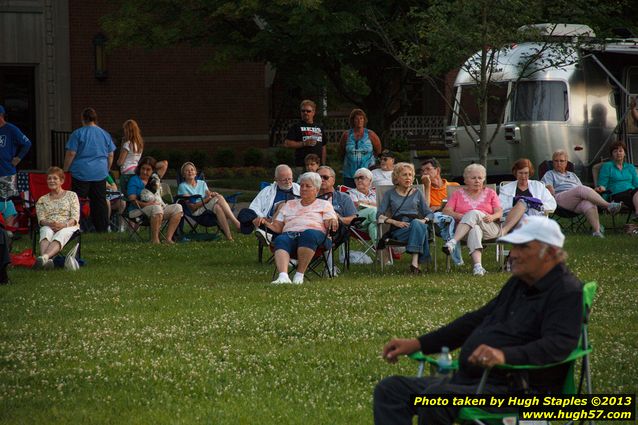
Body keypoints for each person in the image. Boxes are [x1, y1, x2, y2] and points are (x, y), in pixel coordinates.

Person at [374, 216, 583, 425]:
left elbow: (560, 344)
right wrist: (418, 344)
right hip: (473, 381)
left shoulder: (565, 291)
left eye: (523, 248)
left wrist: (504, 355)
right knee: (391, 390)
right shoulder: (520, 283)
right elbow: (475, 321)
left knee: (435, 399)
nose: (513, 255)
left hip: (518, 389)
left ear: (551, 253)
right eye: (513, 247)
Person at [265, 172, 339, 285]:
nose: (303, 188)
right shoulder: (289, 204)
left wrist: (332, 220)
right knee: (281, 239)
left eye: (308, 186)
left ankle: (299, 275)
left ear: (316, 189)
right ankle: (283, 276)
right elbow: (278, 227)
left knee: (308, 234)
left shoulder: (324, 204)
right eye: (302, 185)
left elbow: (329, 222)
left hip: (316, 238)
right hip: (290, 235)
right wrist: (264, 223)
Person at [541, 150, 621, 237]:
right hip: (560, 199)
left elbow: (584, 192)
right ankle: (608, 205)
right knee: (580, 189)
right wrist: (549, 188)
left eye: (561, 161)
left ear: (566, 162)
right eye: (556, 161)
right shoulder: (549, 174)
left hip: (575, 201)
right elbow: (548, 188)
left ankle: (597, 232)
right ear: (553, 162)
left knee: (588, 202)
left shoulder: (572, 175)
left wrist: (595, 191)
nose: (558, 163)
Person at [441, 164, 502, 276]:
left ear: (483, 179)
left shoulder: (490, 193)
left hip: (489, 227)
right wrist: (460, 216)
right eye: (473, 178)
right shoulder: (457, 194)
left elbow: (499, 212)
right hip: (465, 232)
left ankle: (453, 242)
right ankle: (478, 267)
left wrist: (492, 217)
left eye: (480, 178)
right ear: (465, 180)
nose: (477, 181)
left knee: (474, 213)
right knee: (475, 229)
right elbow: (446, 211)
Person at [63, 107, 116, 233]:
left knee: (77, 201)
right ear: (95, 119)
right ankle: (101, 229)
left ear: (83, 119)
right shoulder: (104, 134)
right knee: (100, 202)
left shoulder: (78, 133)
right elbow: (111, 154)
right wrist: (106, 169)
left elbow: (71, 153)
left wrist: (65, 170)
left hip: (80, 173)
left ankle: (76, 226)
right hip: (99, 173)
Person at [377, 162, 434, 274]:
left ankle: (414, 263)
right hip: (399, 229)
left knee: (418, 224)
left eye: (410, 175)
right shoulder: (390, 194)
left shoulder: (417, 193)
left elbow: (429, 213)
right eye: (404, 175)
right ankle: (418, 262)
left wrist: (424, 220)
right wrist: (394, 222)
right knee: (422, 231)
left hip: (416, 224)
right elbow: (379, 214)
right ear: (396, 178)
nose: (408, 177)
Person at [177, 162, 240, 241]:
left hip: (206, 207)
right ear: (183, 175)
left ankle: (229, 237)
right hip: (197, 211)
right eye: (187, 170)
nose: (190, 171)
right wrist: (207, 199)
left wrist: (212, 194)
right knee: (219, 197)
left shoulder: (202, 183)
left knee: (218, 207)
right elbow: (192, 207)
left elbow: (209, 194)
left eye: (192, 170)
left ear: (196, 173)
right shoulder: (182, 186)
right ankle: (236, 223)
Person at [127, 156, 183, 244]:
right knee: (156, 208)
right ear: (139, 168)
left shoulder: (155, 178)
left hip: (158, 208)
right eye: (143, 168)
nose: (145, 172)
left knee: (178, 208)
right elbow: (132, 200)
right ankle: (155, 240)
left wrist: (150, 162)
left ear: (153, 170)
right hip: (138, 210)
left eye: (148, 169)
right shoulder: (134, 180)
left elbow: (164, 164)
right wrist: (147, 204)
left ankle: (168, 239)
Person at [34, 167, 80, 269]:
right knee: (45, 231)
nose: (51, 181)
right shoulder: (42, 199)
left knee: (63, 233)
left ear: (62, 181)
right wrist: (50, 224)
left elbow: (75, 217)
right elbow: (41, 219)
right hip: (49, 225)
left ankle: (44, 257)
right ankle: (47, 261)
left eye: (55, 178)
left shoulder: (71, 195)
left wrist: (64, 225)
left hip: (68, 225)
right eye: (49, 178)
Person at [499, 158, 556, 235]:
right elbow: (500, 206)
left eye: (526, 173)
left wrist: (536, 205)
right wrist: (514, 202)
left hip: (534, 217)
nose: (523, 176)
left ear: (530, 173)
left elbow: (552, 203)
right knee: (523, 213)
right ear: (515, 173)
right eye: (520, 173)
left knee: (525, 215)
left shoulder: (538, 186)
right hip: (513, 219)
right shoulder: (506, 188)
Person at [249, 164, 300, 245]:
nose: (288, 182)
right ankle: (272, 234)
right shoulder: (267, 190)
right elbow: (254, 207)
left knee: (284, 205)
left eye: (290, 179)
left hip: (291, 223)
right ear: (276, 179)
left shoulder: (299, 189)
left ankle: (271, 235)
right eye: (284, 180)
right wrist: (262, 218)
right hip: (269, 221)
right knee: (245, 213)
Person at [0, 105, 32, 228]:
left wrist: (18, 158)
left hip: (6, 172)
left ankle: (9, 229)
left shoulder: (11, 129)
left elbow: (27, 143)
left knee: (6, 201)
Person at [116, 119, 168, 186]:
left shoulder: (127, 144)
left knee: (127, 194)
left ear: (127, 131)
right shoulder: (139, 144)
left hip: (126, 172)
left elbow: (120, 162)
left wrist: (122, 147)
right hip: (136, 170)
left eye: (124, 130)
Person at [596, 141, 638, 221]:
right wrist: (601, 191)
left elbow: (636, 184)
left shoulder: (630, 167)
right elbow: (602, 184)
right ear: (612, 154)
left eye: (620, 151)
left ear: (625, 153)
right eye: (615, 151)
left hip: (632, 192)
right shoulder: (607, 166)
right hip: (616, 194)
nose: (618, 153)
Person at [339, 109, 382, 187]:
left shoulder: (370, 134)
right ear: (353, 120)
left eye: (361, 118)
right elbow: (341, 151)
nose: (359, 121)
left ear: (364, 120)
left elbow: (378, 151)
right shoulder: (346, 135)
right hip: (349, 173)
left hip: (367, 172)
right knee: (350, 195)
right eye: (356, 118)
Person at [283, 100, 326, 170]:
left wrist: (323, 164)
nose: (305, 113)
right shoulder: (296, 127)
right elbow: (287, 143)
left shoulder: (319, 127)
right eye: (303, 111)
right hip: (302, 165)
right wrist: (304, 143)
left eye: (308, 111)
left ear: (313, 112)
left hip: (317, 166)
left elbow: (323, 146)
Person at [347, 167, 377, 241]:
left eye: (362, 177)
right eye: (356, 178)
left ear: (370, 181)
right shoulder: (351, 193)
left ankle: (381, 251)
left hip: (371, 222)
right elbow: (354, 207)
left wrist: (368, 203)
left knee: (373, 226)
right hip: (357, 221)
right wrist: (374, 205)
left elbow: (384, 206)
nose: (359, 180)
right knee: (373, 210)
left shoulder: (375, 194)